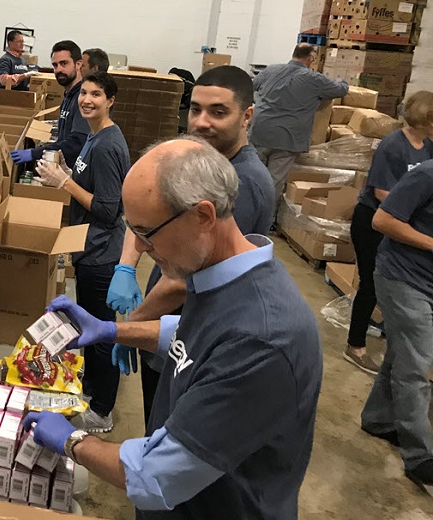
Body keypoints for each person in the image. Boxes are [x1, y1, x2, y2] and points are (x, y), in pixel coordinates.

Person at [25, 136, 323, 519]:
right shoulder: (222, 275)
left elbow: (156, 476)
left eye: (147, 233)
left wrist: (72, 440)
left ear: (202, 215)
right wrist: (114, 331)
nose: (143, 250)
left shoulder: (262, 339)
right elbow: (194, 335)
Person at [108, 65, 275, 427]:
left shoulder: (242, 182)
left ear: (247, 116)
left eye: (218, 112)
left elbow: (186, 281)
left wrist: (131, 327)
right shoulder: (200, 163)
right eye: (195, 109)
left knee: (168, 432)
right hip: (170, 329)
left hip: (190, 339)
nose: (201, 122)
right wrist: (126, 265)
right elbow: (149, 214)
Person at [35, 71, 130, 433]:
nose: (87, 100)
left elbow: (108, 209)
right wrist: (61, 172)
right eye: (84, 93)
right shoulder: (94, 137)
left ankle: (102, 411)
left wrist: (66, 183)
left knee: (103, 334)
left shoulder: (107, 145)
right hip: (88, 248)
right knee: (89, 330)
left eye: (96, 94)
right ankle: (90, 390)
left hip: (102, 253)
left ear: (110, 100)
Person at [345, 91, 433, 375]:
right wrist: (408, 205)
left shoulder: (428, 147)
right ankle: (355, 346)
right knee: (371, 282)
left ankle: (384, 329)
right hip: (373, 219)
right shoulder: (393, 145)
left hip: (404, 221)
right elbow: (382, 192)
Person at [360, 158, 433, 493]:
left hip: (426, 283)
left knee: (403, 354)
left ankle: (377, 419)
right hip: (404, 279)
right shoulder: (426, 174)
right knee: (415, 367)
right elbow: (382, 219)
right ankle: (421, 457)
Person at [250, 43, 348, 221]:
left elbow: (254, 85)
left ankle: (244, 215)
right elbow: (340, 90)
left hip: (260, 131)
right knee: (274, 182)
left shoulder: (271, 70)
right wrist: (343, 81)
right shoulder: (313, 79)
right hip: (287, 139)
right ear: (311, 58)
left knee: (253, 176)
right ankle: (265, 221)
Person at [10, 40, 90, 170]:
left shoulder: (83, 98)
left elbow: (77, 143)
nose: (58, 69)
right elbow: (64, 137)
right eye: (55, 65)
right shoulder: (68, 95)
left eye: (64, 63)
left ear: (78, 64)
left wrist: (34, 153)